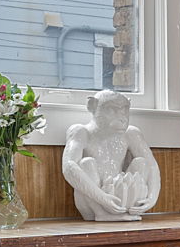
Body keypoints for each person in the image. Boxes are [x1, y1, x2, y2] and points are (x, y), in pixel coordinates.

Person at [62, 90, 159, 221]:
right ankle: (102, 213)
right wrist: (102, 198)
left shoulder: (131, 133)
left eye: (125, 110)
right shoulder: (81, 132)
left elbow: (152, 166)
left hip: (121, 199)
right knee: (86, 163)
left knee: (142, 162)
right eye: (112, 110)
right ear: (92, 106)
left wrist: (152, 197)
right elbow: (68, 167)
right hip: (92, 202)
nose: (122, 118)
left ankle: (129, 209)